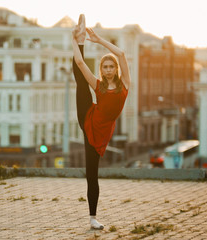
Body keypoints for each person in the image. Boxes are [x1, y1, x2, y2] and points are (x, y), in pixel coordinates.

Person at [72, 14, 131, 230]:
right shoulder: (99, 86)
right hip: (88, 117)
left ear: (115, 69)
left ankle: (92, 218)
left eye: (110, 67)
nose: (107, 70)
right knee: (80, 81)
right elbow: (79, 62)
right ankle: (93, 218)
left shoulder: (125, 84)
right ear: (101, 70)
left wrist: (98, 40)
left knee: (92, 174)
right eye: (104, 67)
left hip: (101, 131)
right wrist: (76, 39)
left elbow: (122, 54)